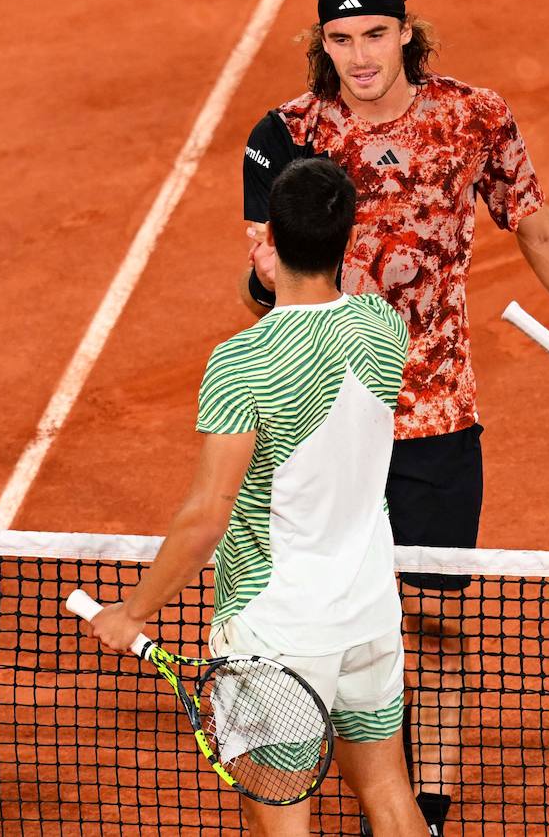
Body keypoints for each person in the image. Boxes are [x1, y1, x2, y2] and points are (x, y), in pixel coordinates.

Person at [237, 0, 549, 835]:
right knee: (307, 609)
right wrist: (285, 292)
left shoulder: (474, 117)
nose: (361, 55)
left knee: (436, 624)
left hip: (438, 416)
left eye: (375, 33)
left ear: (406, 30)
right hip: (324, 418)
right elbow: (261, 278)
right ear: (323, 44)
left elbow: (536, 223)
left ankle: (431, 806)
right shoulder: (285, 134)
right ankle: (316, 782)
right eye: (341, 39)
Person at [85, 157, 428, 837]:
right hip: (367, 614)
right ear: (348, 242)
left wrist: (133, 610)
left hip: (278, 631)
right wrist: (289, 266)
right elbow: (327, 320)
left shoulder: (242, 363)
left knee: (282, 822)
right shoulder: (384, 327)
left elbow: (207, 514)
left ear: (269, 238)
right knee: (389, 790)